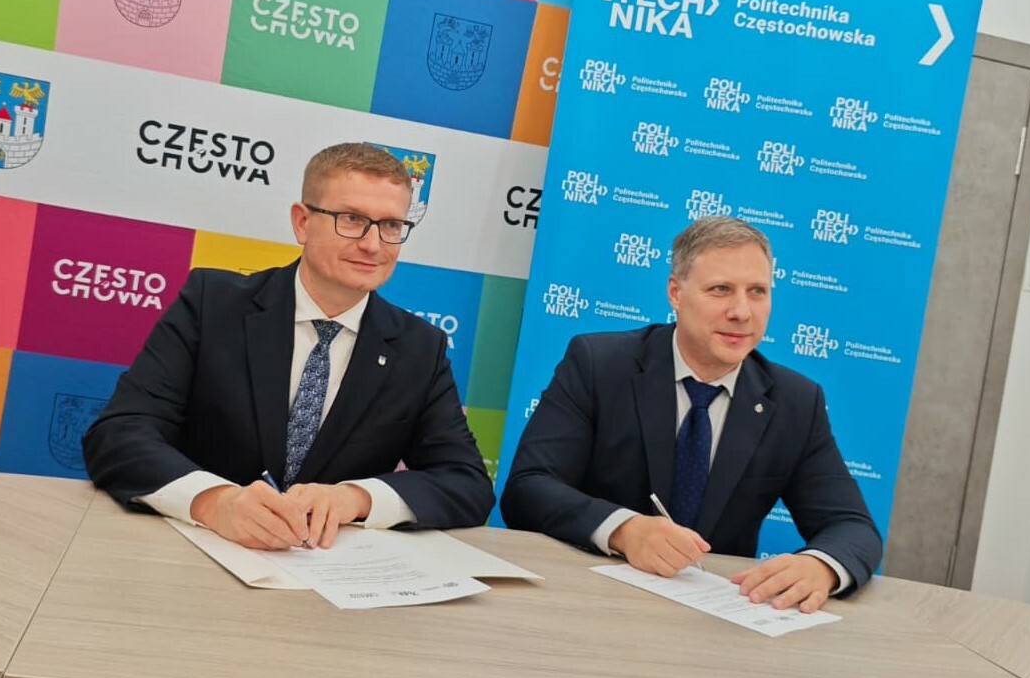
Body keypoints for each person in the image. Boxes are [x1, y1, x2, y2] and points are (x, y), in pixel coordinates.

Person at [84, 142, 493, 550]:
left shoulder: (420, 347)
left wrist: (357, 498)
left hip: (325, 571)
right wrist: (213, 502)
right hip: (193, 553)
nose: (373, 245)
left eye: (390, 225)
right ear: (302, 223)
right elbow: (120, 433)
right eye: (352, 219)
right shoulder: (212, 304)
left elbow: (466, 482)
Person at [501, 216, 882, 613]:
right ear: (676, 293)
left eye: (757, 292)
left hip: (713, 618)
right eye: (720, 290)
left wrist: (820, 566)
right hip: (588, 599)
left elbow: (852, 526)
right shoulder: (599, 365)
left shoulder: (795, 401)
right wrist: (623, 530)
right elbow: (529, 488)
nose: (741, 311)